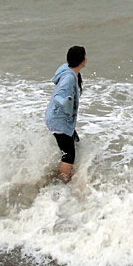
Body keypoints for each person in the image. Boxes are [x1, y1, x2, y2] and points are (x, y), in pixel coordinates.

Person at [45, 46, 87, 182]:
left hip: (60, 119)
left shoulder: (68, 70)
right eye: (85, 56)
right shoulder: (69, 78)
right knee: (69, 155)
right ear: (81, 60)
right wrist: (68, 105)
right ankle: (63, 183)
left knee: (75, 141)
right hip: (59, 120)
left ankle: (61, 171)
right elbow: (59, 97)